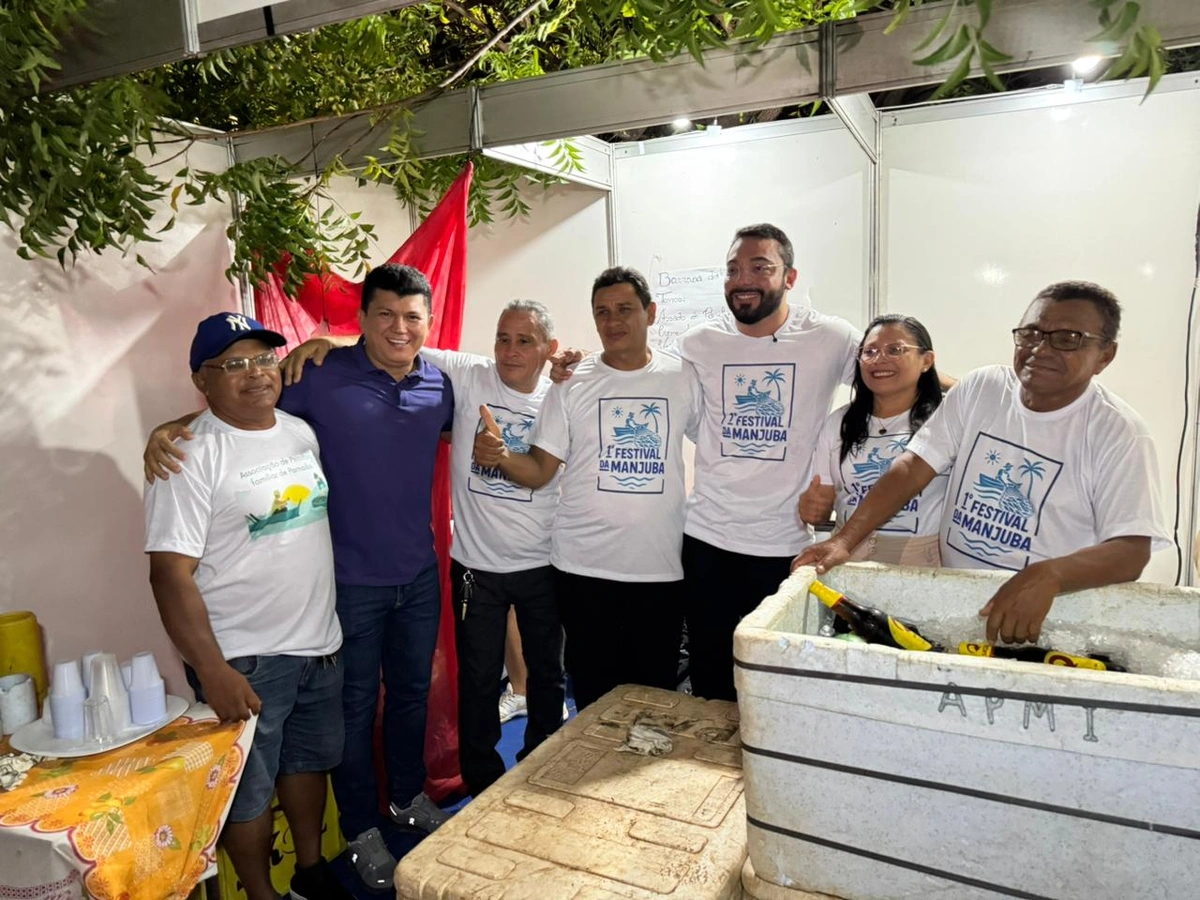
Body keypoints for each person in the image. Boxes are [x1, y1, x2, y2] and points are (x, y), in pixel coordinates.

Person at [143, 265, 454, 891]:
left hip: (398, 585)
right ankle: (359, 832)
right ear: (360, 320)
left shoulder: (436, 386)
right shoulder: (319, 379)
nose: (399, 327)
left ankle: (389, 813)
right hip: (342, 594)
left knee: (398, 706)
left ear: (427, 323)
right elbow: (238, 405)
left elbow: (254, 404)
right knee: (352, 716)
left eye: (412, 316)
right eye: (385, 314)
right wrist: (170, 428)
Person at [280, 299, 568, 798]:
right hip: (475, 565)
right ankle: (482, 781)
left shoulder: (563, 395)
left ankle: (541, 766)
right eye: (503, 338)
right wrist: (327, 343)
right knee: (477, 681)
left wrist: (505, 452)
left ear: (549, 348)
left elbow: (544, 472)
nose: (510, 351)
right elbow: (397, 343)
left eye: (525, 341)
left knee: (547, 676)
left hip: (545, 560)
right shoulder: (467, 371)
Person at [795, 281, 1171, 644]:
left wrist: (1051, 574)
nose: (1041, 348)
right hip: (950, 602)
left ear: (1105, 355)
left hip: (1042, 619)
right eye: (1030, 334)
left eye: (1067, 339)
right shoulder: (983, 388)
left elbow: (1131, 551)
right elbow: (913, 466)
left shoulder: (1118, 433)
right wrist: (844, 540)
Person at [144, 313, 351, 900]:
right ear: (201, 380)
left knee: (308, 765)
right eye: (233, 364)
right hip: (246, 659)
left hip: (318, 643)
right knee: (247, 789)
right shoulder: (185, 457)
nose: (255, 373)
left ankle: (310, 871)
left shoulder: (297, 432)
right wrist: (213, 669)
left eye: (262, 358)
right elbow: (168, 574)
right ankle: (261, 894)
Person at [474, 267, 701, 712]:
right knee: (595, 701)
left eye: (625, 310)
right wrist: (499, 456)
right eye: (602, 312)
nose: (613, 321)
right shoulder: (572, 380)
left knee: (653, 700)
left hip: (659, 569)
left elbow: (717, 449)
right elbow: (541, 469)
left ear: (650, 313)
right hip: (582, 570)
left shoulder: (683, 377)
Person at [677, 224, 861, 701]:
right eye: (735, 269)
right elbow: (644, 378)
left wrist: (982, 395)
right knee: (711, 680)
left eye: (761, 267)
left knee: (776, 686)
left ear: (790, 277)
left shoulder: (829, 337)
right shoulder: (699, 343)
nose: (745, 279)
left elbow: (894, 378)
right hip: (707, 541)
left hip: (784, 547)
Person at [798, 314, 947, 567]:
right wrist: (812, 509)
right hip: (846, 559)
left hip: (921, 563)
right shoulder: (840, 422)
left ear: (927, 360)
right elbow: (822, 507)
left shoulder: (945, 420)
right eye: (870, 351)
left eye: (895, 350)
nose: (880, 360)